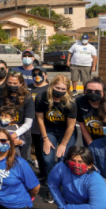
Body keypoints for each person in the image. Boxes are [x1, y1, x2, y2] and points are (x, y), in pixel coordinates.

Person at [36, 74, 77, 202]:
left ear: (67, 90)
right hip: (49, 130)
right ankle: (51, 187)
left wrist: (63, 144)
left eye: (62, 89)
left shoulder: (70, 103)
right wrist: (45, 139)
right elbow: (40, 119)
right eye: (57, 87)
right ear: (51, 85)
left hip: (66, 131)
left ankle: (63, 186)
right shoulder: (41, 97)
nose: (59, 91)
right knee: (47, 158)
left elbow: (70, 127)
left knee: (63, 159)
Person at [1, 71, 35, 164]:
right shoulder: (1, 94)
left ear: (21, 83)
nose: (12, 85)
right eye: (10, 83)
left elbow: (28, 123)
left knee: (20, 161)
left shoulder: (27, 97)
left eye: (15, 83)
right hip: (4, 130)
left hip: (22, 133)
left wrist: (14, 135)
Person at [78, 77, 106, 146]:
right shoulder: (80, 102)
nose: (93, 93)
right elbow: (82, 126)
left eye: (97, 92)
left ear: (104, 92)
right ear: (85, 91)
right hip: (90, 138)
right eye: (89, 91)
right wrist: (91, 144)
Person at [29, 66, 49, 173]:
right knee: (36, 150)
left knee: (46, 153)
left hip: (45, 125)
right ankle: (42, 172)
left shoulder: (50, 88)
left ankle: (48, 173)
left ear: (45, 75)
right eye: (34, 74)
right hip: (32, 126)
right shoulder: (28, 88)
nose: (37, 76)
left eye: (40, 74)